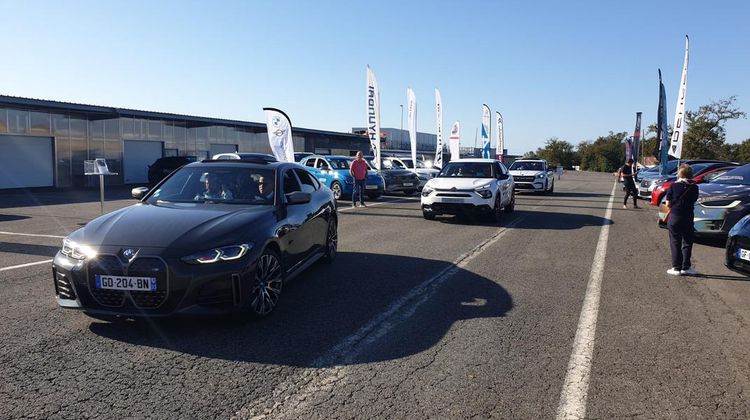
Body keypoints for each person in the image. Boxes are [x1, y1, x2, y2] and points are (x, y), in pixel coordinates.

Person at [665, 164, 699, 276]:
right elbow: (694, 200)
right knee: (687, 242)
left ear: (680, 173)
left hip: (675, 216)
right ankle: (686, 267)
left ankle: (676, 267)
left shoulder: (673, 186)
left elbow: (668, 203)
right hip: (688, 216)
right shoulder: (695, 187)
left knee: (675, 242)